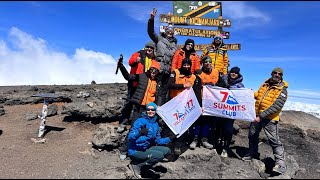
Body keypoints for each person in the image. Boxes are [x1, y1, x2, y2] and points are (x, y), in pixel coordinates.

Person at [242, 67, 288, 175]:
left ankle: (280, 164)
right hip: (256, 115)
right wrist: (251, 93)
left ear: (281, 76)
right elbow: (260, 97)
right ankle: (252, 154)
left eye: (279, 74)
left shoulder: (282, 89)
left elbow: (276, 106)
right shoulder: (265, 84)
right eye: (275, 73)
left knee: (274, 141)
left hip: (270, 119)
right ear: (272, 73)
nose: (277, 75)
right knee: (252, 135)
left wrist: (261, 116)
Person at [117, 59, 161, 161]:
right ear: (150, 69)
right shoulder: (142, 76)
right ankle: (124, 149)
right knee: (134, 129)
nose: (153, 72)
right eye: (152, 70)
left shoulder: (158, 82)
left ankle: (139, 150)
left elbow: (159, 96)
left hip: (150, 110)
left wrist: (158, 105)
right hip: (139, 108)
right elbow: (128, 77)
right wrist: (121, 67)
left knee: (148, 131)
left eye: (156, 71)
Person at [127, 102, 173, 179]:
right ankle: (136, 166)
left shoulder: (155, 124)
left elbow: (158, 141)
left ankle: (144, 167)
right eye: (148, 109)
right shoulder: (140, 121)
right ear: (146, 110)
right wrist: (140, 132)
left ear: (155, 111)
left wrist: (170, 138)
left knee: (167, 151)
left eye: (153, 109)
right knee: (159, 156)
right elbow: (130, 137)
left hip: (145, 149)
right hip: (135, 151)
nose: (150, 111)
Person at [117, 41, 156, 133]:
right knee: (129, 102)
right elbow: (130, 62)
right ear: (145, 48)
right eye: (147, 47)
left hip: (145, 84)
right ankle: (123, 122)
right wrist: (136, 60)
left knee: (141, 105)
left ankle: (140, 123)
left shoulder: (154, 58)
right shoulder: (138, 53)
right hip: (135, 82)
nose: (149, 49)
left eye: (151, 48)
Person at [167, 58, 199, 155]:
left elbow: (196, 91)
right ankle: (172, 143)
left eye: (188, 65)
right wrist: (183, 86)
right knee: (174, 123)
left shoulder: (193, 77)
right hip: (175, 102)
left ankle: (179, 143)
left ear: (190, 66)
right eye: (184, 65)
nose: (186, 66)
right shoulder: (175, 72)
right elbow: (169, 85)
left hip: (186, 104)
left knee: (184, 124)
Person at [189, 55, 220, 150]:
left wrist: (214, 85)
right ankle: (195, 139)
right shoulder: (198, 73)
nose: (208, 64)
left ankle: (204, 140)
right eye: (206, 62)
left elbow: (222, 84)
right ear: (203, 63)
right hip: (200, 100)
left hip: (211, 101)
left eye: (209, 62)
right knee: (197, 120)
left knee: (207, 121)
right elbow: (195, 87)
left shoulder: (216, 72)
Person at [148, 9, 178, 106]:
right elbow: (151, 32)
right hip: (158, 69)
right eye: (168, 31)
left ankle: (159, 113)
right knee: (155, 90)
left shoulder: (175, 45)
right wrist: (151, 20)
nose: (170, 32)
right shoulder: (159, 39)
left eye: (171, 31)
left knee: (163, 93)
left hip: (168, 71)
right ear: (165, 32)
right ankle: (151, 110)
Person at [220, 66, 245, 158]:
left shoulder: (240, 86)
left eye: (236, 73)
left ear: (238, 74)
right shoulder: (222, 80)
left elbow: (242, 98)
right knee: (218, 128)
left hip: (230, 111)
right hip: (219, 109)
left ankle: (225, 148)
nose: (233, 74)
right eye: (232, 72)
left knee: (228, 129)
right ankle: (217, 145)